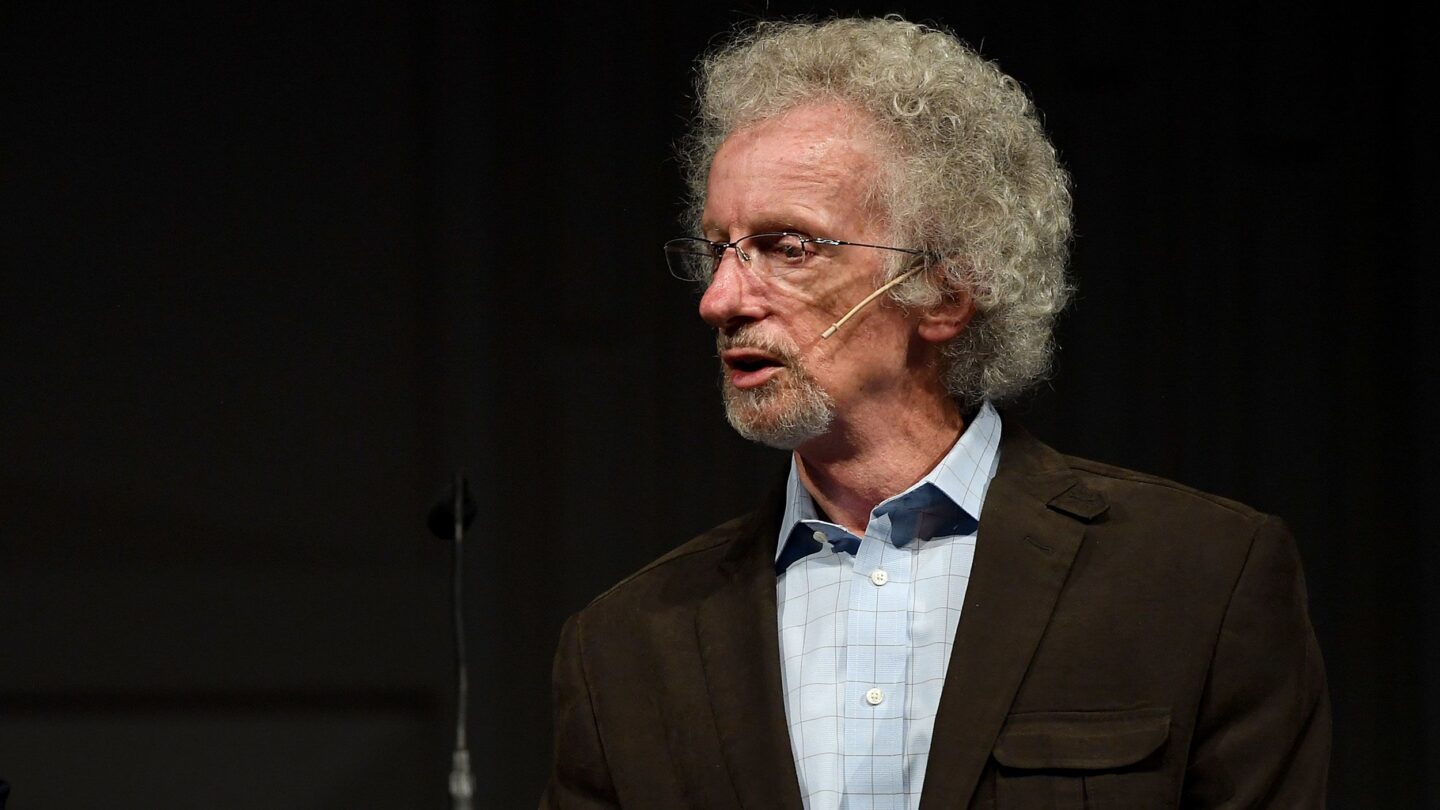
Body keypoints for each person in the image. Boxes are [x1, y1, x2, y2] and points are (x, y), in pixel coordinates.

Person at [542, 16, 1329, 810]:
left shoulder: (1198, 579)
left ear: (947, 291)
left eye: (789, 247)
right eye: (718, 249)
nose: (720, 301)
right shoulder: (625, 647)